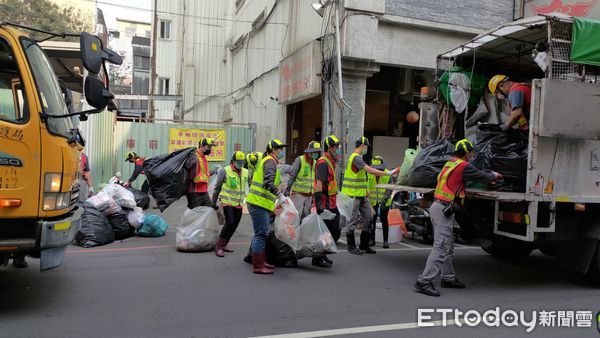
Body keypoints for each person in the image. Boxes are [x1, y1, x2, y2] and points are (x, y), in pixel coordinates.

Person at [415, 139, 502, 297]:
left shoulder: (450, 163)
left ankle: (448, 278)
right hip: (442, 209)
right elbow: (482, 175)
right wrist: (493, 175)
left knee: (447, 245)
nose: (471, 155)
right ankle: (424, 281)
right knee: (441, 247)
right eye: (470, 152)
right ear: (467, 153)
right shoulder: (463, 165)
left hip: (441, 208)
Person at [341, 137, 398, 255]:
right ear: (362, 145)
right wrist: (388, 173)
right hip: (353, 195)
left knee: (369, 218)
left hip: (362, 195)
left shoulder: (359, 158)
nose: (366, 149)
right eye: (366, 147)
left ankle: (364, 245)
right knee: (352, 221)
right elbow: (370, 170)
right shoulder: (355, 158)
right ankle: (351, 246)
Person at [246, 139, 286, 274]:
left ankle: (260, 261)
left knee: (263, 233)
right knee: (261, 234)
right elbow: (268, 182)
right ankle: (258, 266)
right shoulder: (270, 161)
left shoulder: (270, 161)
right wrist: (279, 195)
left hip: (261, 203)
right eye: (279, 148)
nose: (281, 151)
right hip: (258, 203)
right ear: (273, 150)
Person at [313, 135, 343, 268]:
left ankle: (322, 254)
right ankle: (317, 257)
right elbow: (319, 184)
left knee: (333, 230)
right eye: (336, 146)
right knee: (325, 231)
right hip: (325, 203)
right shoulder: (323, 163)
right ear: (329, 148)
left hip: (331, 202)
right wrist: (319, 205)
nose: (338, 149)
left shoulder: (331, 161)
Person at [211, 151, 248, 257]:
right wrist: (213, 202)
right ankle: (218, 246)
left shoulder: (245, 171)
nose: (241, 164)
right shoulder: (225, 171)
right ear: (233, 160)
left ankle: (225, 244)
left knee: (235, 224)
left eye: (242, 162)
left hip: (239, 203)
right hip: (227, 202)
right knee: (230, 223)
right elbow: (217, 187)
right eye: (239, 162)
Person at [285, 141, 321, 220]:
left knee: (306, 217)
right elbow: (292, 175)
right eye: (314, 152)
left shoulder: (315, 163)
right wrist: (287, 189)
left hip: (309, 195)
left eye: (317, 152)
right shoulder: (300, 160)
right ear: (309, 151)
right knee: (296, 216)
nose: (316, 154)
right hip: (298, 194)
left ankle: (303, 232)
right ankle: (295, 232)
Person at [367, 156, 394, 249]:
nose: (377, 171)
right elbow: (366, 187)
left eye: (379, 169)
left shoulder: (387, 173)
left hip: (384, 202)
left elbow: (390, 188)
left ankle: (385, 241)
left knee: (384, 220)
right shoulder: (369, 173)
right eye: (375, 169)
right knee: (372, 221)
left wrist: (384, 200)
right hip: (372, 202)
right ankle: (372, 240)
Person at [185, 138, 216, 209]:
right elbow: (189, 173)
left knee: (207, 212)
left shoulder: (204, 158)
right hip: (194, 193)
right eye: (209, 147)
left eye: (211, 147)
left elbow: (203, 174)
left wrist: (213, 171)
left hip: (204, 191)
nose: (210, 149)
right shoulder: (194, 156)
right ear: (202, 146)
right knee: (195, 215)